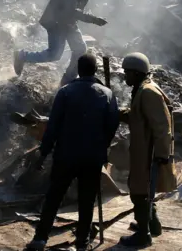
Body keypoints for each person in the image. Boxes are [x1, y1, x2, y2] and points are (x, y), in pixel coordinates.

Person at [25, 53, 120, 251]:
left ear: (78, 69)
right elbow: (112, 125)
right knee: (87, 200)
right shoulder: (107, 94)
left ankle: (40, 239)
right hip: (92, 158)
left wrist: (43, 153)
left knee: (54, 197)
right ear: (95, 70)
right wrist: (103, 147)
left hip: (66, 155)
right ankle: (82, 242)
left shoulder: (66, 92)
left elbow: (53, 126)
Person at [13, 0, 108, 86]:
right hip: (56, 21)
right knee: (54, 54)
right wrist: (93, 19)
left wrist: (86, 18)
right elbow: (71, 10)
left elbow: (77, 8)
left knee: (80, 49)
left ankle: (67, 81)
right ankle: (22, 56)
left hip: (68, 22)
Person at [119, 52, 175, 248]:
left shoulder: (148, 92)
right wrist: (120, 114)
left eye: (127, 72)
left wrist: (161, 154)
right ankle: (152, 223)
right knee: (144, 190)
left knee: (139, 192)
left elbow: (162, 127)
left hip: (148, 153)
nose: (125, 76)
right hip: (143, 150)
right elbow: (139, 116)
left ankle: (143, 234)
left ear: (136, 73)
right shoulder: (142, 88)